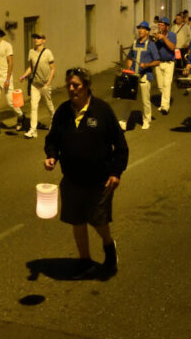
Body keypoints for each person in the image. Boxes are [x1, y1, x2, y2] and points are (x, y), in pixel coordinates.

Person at [44, 67, 128, 279]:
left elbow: (120, 145)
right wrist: (51, 155)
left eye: (76, 85)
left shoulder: (102, 110)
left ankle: (109, 248)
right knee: (77, 221)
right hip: (72, 179)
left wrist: (116, 172)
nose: (72, 89)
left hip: (100, 180)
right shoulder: (63, 112)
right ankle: (84, 260)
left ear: (87, 86)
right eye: (69, 85)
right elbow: (52, 139)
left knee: (98, 221)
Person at [0, 24, 24, 135]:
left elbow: (10, 62)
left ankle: (20, 115)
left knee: (11, 101)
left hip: (5, 76)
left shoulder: (7, 45)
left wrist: (7, 78)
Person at [18, 33, 56, 139]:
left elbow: (53, 68)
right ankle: (33, 130)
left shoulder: (48, 53)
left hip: (44, 84)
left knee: (49, 105)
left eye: (38, 38)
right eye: (35, 38)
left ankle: (54, 123)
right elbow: (31, 67)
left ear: (43, 40)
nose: (36, 39)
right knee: (33, 107)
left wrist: (48, 82)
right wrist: (24, 76)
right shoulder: (31, 52)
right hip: (35, 84)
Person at [124, 21, 160, 130]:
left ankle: (146, 119)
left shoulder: (151, 45)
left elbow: (157, 61)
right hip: (134, 76)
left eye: (143, 29)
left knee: (145, 100)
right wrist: (128, 68)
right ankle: (124, 120)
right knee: (129, 99)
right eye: (139, 28)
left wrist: (147, 65)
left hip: (145, 76)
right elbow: (130, 57)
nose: (140, 30)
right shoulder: (135, 43)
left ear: (147, 32)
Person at [152, 17, 177, 115]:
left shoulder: (172, 35)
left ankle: (165, 106)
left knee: (167, 84)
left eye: (162, 25)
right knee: (160, 86)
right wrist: (155, 39)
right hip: (159, 62)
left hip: (169, 63)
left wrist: (164, 38)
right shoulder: (157, 35)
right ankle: (164, 102)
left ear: (167, 26)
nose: (160, 27)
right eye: (159, 25)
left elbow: (172, 47)